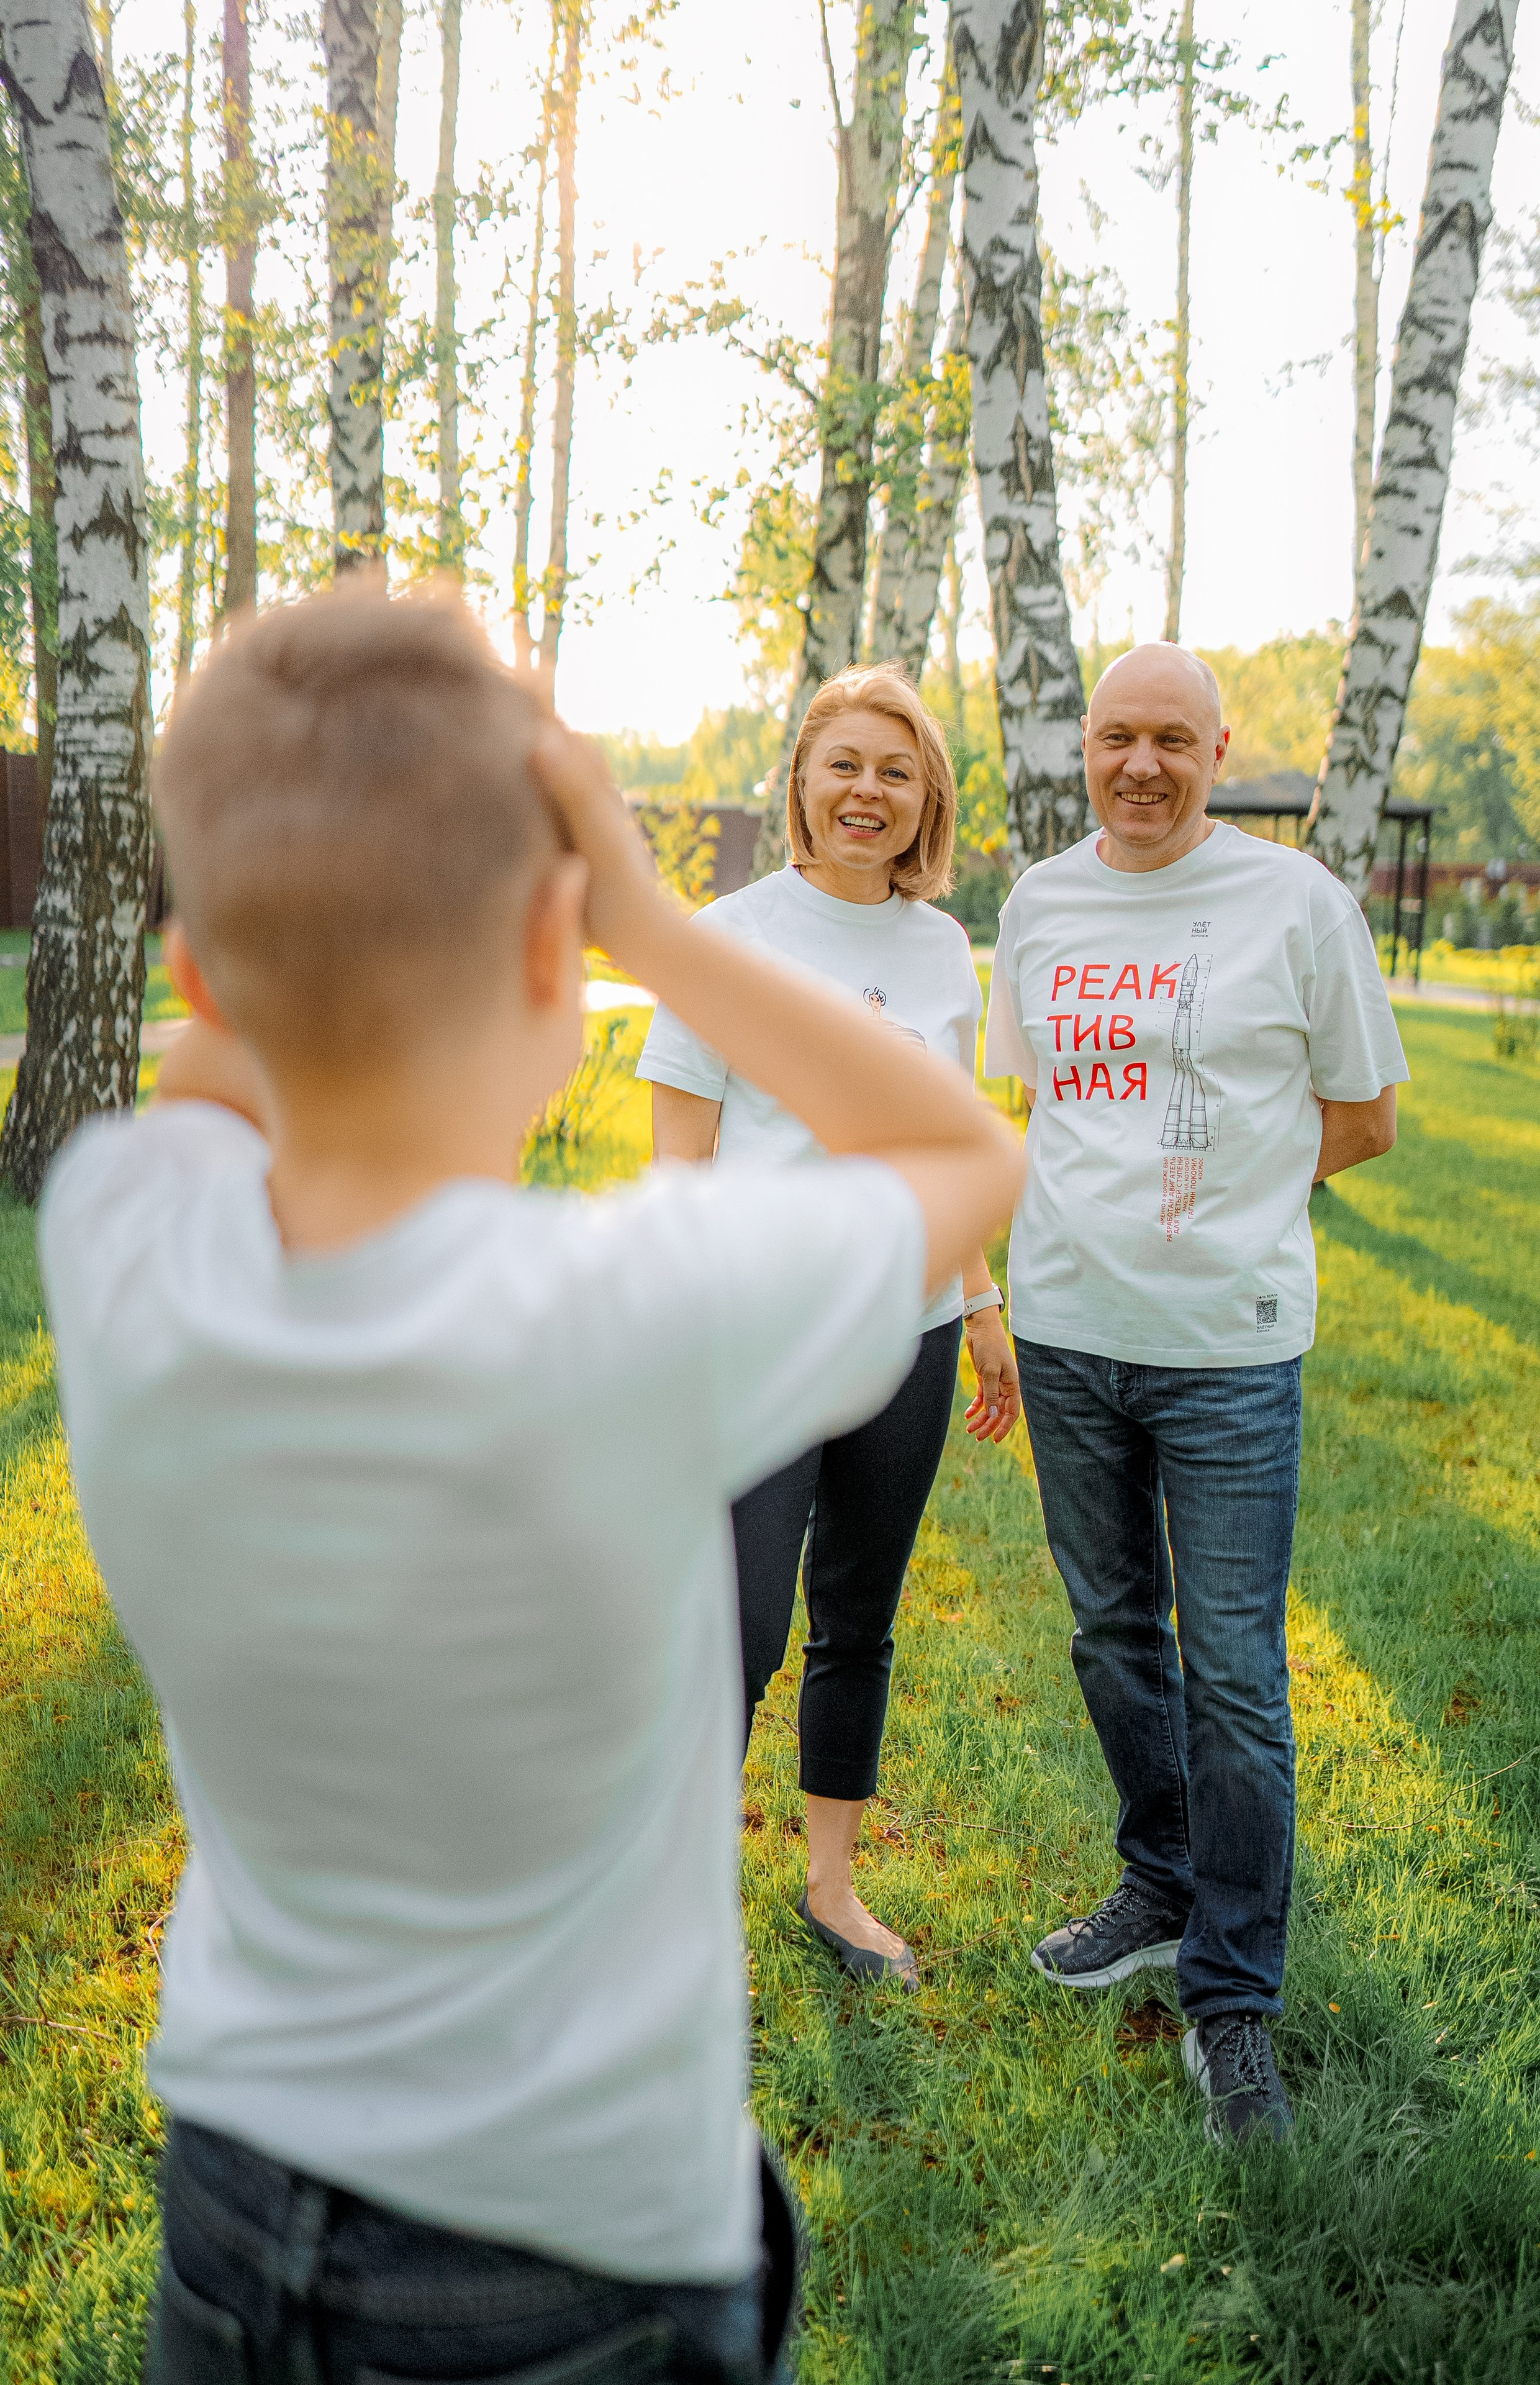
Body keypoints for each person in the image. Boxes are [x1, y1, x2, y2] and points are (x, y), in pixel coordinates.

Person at [38, 583, 1023, 2383]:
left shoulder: (121, 1236)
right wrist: (649, 907)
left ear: (198, 971)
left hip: (235, 2202)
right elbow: (956, 1149)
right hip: (563, 2259)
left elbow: (209, 1076)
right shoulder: (640, 1317)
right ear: (560, 956)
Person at [984, 641, 1406, 2146]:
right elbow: (1042, 1109)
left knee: (1230, 1673)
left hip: (1227, 1349)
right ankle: (1158, 1883)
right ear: (1082, 752)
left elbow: (1363, 1116)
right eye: (1116, 739)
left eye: (1172, 738)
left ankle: (1233, 1999)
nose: (1141, 765)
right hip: (1066, 1335)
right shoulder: (1037, 905)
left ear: (1219, 752)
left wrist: (1223, 1203)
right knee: (1110, 1633)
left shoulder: (1297, 905)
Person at [637, 663, 1021, 1991]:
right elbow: (677, 1151)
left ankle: (830, 1889)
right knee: (733, 1623)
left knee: (857, 1612)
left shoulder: (936, 948)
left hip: (906, 1328)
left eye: (893, 772)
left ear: (926, 802)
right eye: (844, 766)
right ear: (799, 781)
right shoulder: (725, 935)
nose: (867, 793)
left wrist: (977, 1300)